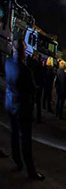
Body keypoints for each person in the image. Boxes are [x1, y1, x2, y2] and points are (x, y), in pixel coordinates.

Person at [4, 39, 45, 180]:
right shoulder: (25, 70)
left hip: (9, 104)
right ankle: (31, 171)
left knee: (14, 134)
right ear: (22, 51)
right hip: (21, 108)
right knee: (25, 139)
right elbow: (31, 89)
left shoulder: (7, 62)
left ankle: (17, 162)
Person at [26, 51, 44, 123]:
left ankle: (30, 116)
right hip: (37, 85)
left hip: (31, 84)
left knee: (31, 101)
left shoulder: (29, 64)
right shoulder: (39, 65)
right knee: (38, 102)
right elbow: (41, 76)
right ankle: (38, 118)